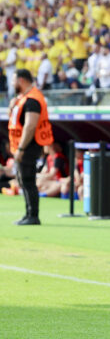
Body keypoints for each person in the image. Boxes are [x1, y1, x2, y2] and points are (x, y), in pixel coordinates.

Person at [7, 69, 53, 225]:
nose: (12, 84)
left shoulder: (32, 100)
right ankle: (28, 214)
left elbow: (30, 126)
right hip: (22, 145)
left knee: (28, 180)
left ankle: (33, 215)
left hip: (29, 145)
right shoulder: (23, 98)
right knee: (23, 180)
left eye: (13, 80)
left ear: (21, 80)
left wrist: (21, 149)